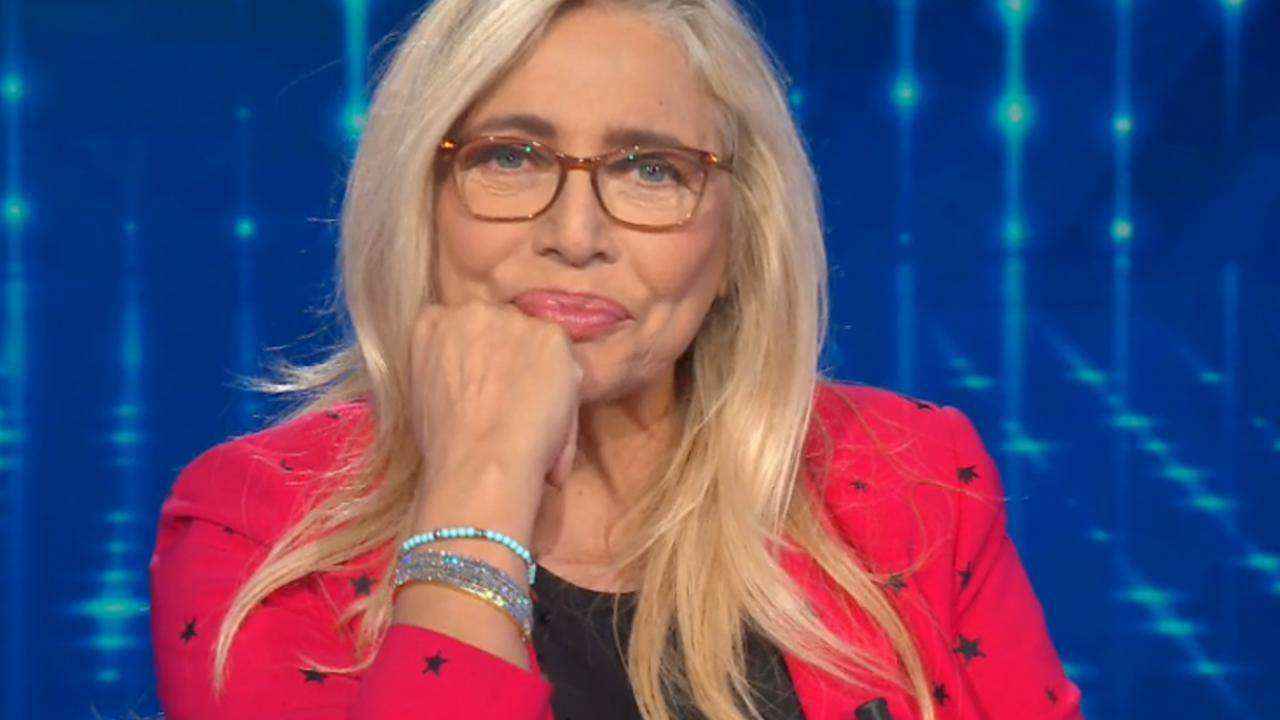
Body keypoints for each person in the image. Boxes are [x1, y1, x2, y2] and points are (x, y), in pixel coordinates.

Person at [149, 1, 1084, 718]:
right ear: (419, 204)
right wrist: (478, 489)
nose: (575, 233)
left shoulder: (913, 480)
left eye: (651, 169)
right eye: (510, 156)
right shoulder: (258, 525)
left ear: (738, 238)